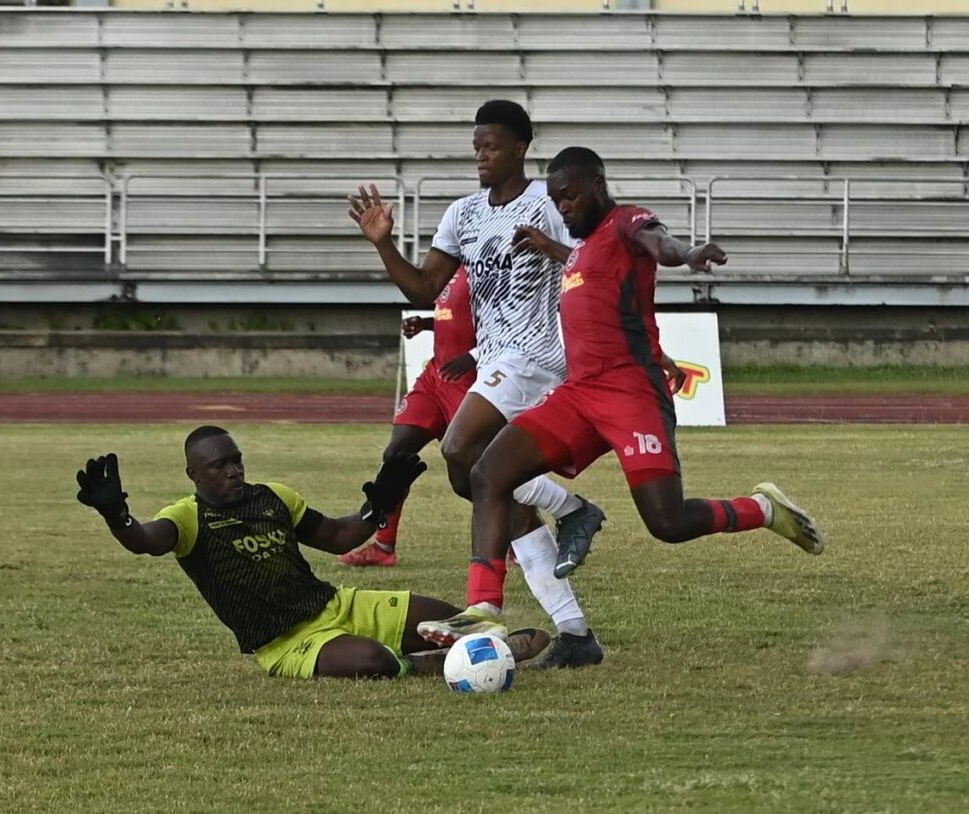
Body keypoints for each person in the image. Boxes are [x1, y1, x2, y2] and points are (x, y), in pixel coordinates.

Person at [418, 147, 825, 652]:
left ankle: (762, 508)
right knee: (488, 472)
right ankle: (484, 609)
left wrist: (686, 254)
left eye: (570, 196)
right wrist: (551, 247)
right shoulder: (580, 250)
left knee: (668, 522)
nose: (563, 207)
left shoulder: (626, 221)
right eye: (556, 200)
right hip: (578, 394)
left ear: (597, 184)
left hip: (631, 396)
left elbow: (656, 240)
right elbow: (602, 295)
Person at [349, 100, 605, 667]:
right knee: (493, 493)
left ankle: (485, 602)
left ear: (521, 148)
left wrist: (553, 247)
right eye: (476, 148)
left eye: (491, 147)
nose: (481, 157)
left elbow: (598, 264)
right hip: (495, 358)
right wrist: (383, 242)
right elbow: (423, 288)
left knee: (460, 447)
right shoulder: (462, 214)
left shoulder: (550, 202)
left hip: (536, 357)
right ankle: (576, 632)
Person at [74, 426, 549, 680]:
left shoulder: (273, 497)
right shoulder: (186, 518)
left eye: (236, 460)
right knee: (373, 662)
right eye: (219, 466)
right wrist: (117, 515)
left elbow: (339, 536)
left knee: (449, 617)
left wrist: (379, 506)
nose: (234, 471)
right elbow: (145, 541)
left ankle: (483, 648)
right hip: (286, 642)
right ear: (193, 474)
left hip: (334, 605)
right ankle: (438, 663)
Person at [338, 266, 478, 568]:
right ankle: (383, 546)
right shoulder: (448, 265)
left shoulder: (487, 264)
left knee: (473, 474)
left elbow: (506, 325)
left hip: (467, 380)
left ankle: (523, 534)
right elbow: (457, 318)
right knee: (396, 455)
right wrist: (427, 323)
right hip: (435, 376)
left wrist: (473, 357)